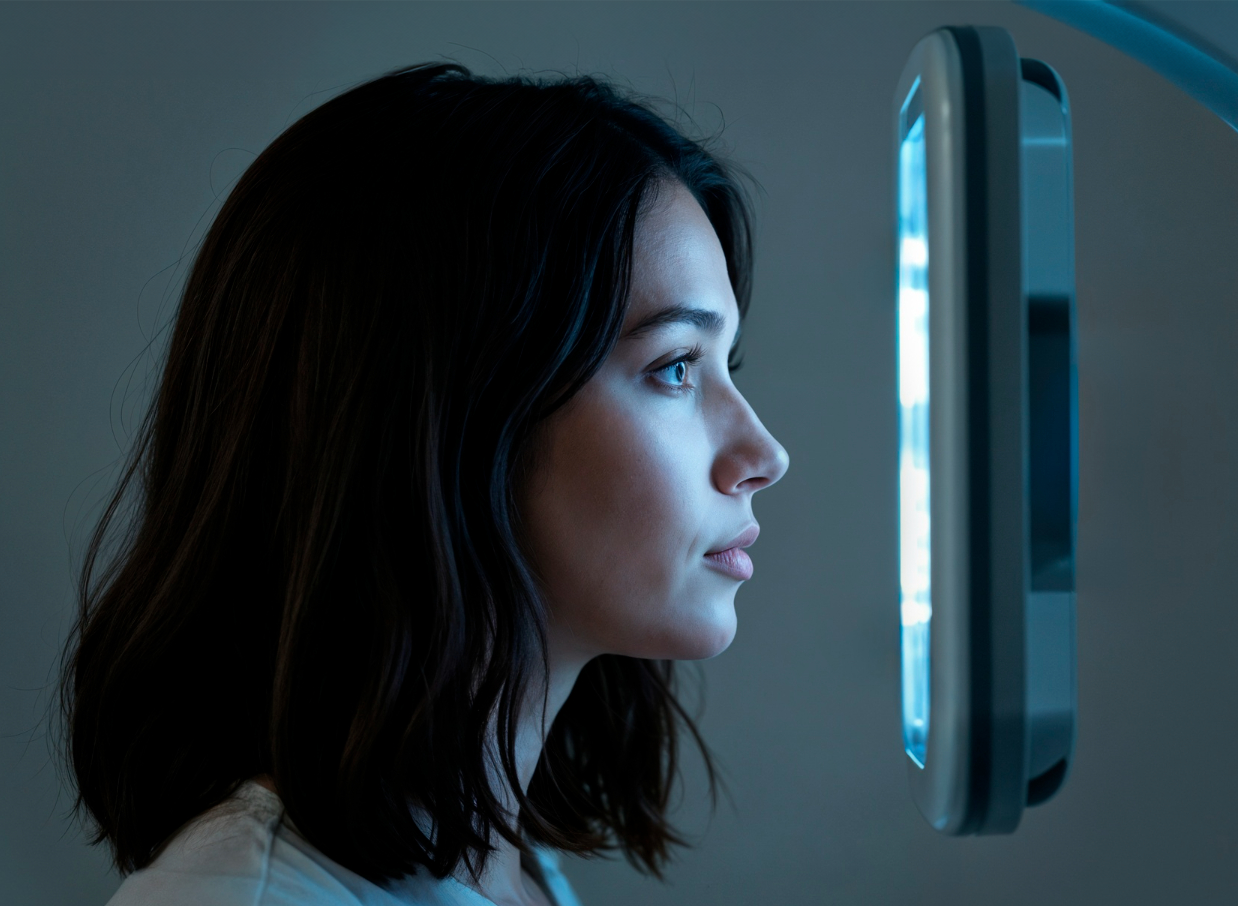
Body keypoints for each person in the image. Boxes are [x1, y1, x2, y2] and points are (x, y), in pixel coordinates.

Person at [60, 62, 789, 906]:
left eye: (723, 364)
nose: (763, 452)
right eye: (673, 368)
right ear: (443, 415)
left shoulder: (511, 874)